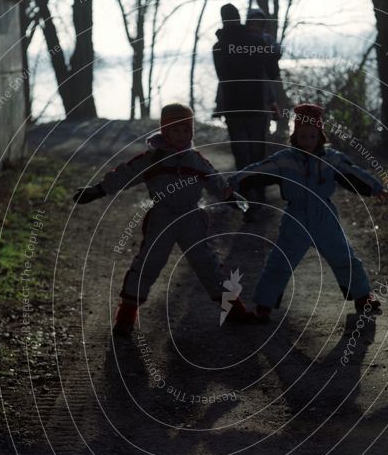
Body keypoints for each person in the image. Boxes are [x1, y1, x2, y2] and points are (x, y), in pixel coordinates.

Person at [73, 102, 257, 336]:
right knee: (148, 263)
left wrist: (230, 198)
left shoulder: (195, 160)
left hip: (191, 217)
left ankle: (233, 309)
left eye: (186, 130)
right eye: (175, 130)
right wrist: (97, 190)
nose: (181, 136)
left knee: (207, 263)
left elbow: (215, 179)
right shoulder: (153, 159)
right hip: (162, 218)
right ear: (165, 131)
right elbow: (125, 173)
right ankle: (126, 314)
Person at [230, 103, 386, 322]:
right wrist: (234, 182)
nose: (307, 141)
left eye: (312, 136)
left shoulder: (332, 159)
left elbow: (354, 172)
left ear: (320, 136)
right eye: (302, 136)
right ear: (295, 136)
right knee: (280, 262)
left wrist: (375, 187)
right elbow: (258, 169)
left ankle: (362, 296)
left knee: (344, 256)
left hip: (325, 216)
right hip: (296, 217)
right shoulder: (284, 159)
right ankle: (264, 303)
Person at [212, 3, 278, 220]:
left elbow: (222, 76)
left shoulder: (218, 47)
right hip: (256, 105)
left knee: (242, 155)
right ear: (239, 18)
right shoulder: (256, 41)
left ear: (222, 20)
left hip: (233, 107)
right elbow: (272, 71)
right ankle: (259, 197)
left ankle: (248, 200)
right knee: (257, 153)